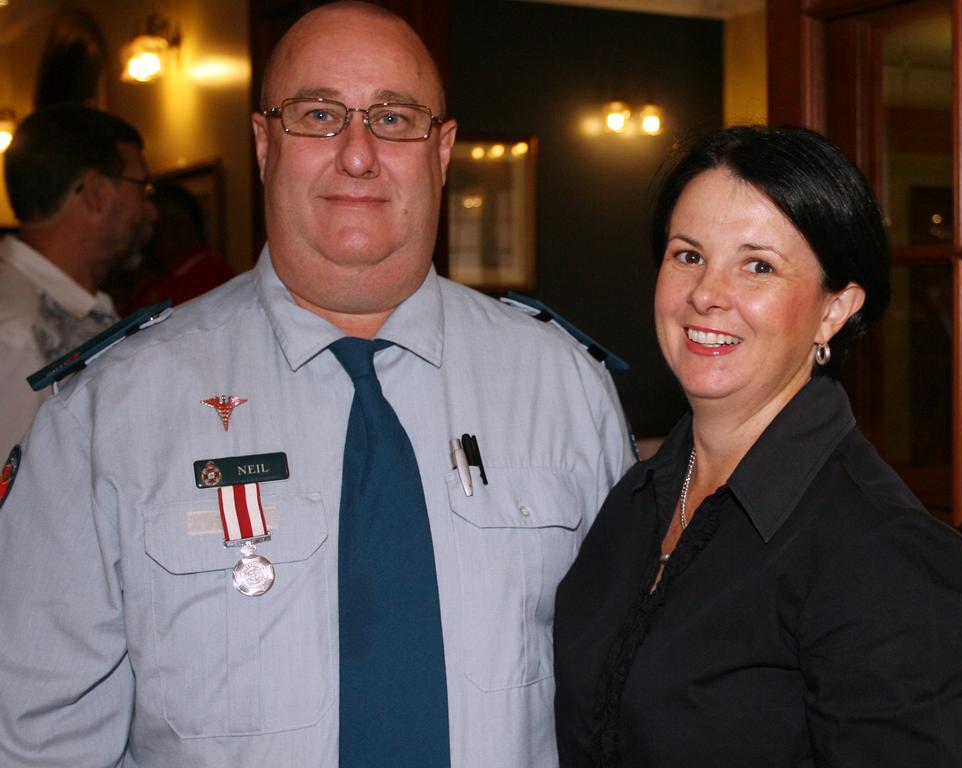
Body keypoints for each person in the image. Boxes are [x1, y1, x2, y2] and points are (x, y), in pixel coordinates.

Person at [0, 3, 632, 767]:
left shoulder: (565, 391)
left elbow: (630, 698)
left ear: (443, 150)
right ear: (265, 144)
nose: (358, 155)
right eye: (320, 115)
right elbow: (43, 741)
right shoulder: (107, 415)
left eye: (395, 118)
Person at [553, 126, 962, 767]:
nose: (706, 293)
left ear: (834, 310)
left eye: (758, 265)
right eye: (688, 255)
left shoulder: (881, 552)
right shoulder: (639, 493)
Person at [0, 104, 156, 454]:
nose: (150, 210)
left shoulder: (72, 307)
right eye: (142, 189)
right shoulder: (14, 332)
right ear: (98, 191)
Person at [123, 183, 237, 313]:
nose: (145, 235)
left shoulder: (204, 279)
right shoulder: (167, 276)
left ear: (180, 225)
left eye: (153, 225)